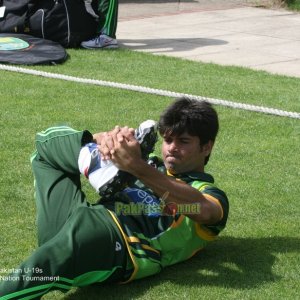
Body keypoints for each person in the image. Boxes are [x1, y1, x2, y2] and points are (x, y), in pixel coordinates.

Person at [0, 97, 229, 299]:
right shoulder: (150, 162)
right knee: (46, 147)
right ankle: (90, 157)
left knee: (40, 267)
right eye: (168, 140)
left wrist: (137, 167)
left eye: (183, 142)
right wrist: (103, 140)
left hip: (120, 240)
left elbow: (204, 210)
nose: (171, 148)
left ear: (206, 147)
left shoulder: (207, 192)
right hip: (84, 217)